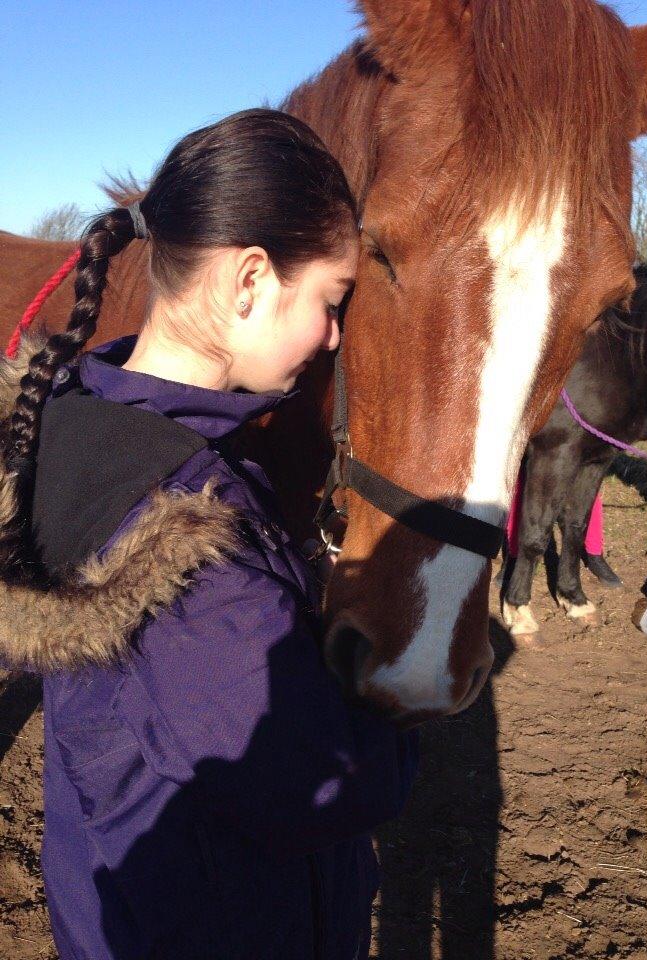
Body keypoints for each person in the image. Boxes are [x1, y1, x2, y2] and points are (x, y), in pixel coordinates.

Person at [0, 109, 417, 959]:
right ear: (249, 280)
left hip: (122, 900)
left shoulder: (86, 415)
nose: (334, 336)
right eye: (331, 302)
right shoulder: (188, 542)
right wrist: (396, 706)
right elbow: (315, 782)